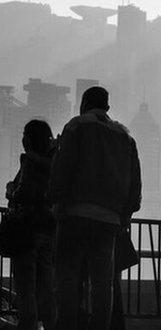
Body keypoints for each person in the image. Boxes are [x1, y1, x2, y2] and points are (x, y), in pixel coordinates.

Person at [49, 86, 142, 330]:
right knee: (103, 285)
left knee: (67, 279)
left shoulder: (76, 126)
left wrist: (56, 200)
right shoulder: (125, 137)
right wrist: (126, 214)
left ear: (84, 103)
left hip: (74, 215)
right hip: (109, 221)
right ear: (107, 107)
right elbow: (135, 183)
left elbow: (62, 166)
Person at [5, 119, 58, 330]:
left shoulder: (30, 163)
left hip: (26, 233)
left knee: (26, 286)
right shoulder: (55, 163)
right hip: (48, 230)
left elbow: (24, 194)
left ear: (28, 139)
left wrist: (11, 191)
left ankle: (28, 325)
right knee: (46, 287)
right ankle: (50, 324)